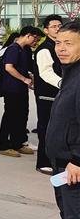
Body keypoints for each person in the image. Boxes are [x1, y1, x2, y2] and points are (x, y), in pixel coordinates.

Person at [45, 21, 80, 219]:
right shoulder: (70, 73)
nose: (61, 48)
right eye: (58, 43)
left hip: (73, 166)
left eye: (69, 43)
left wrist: (77, 159)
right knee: (69, 217)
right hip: (62, 162)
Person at [0, 26, 43, 158]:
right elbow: (9, 67)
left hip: (21, 89)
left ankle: (17, 143)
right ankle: (4, 145)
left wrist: (30, 78)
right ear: (28, 35)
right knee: (10, 116)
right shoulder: (13, 49)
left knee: (21, 115)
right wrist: (24, 79)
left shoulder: (24, 50)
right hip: (11, 89)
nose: (36, 42)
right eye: (35, 39)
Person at [33, 15, 64, 175]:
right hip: (47, 95)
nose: (58, 28)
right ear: (46, 30)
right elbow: (46, 73)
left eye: (60, 25)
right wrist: (63, 84)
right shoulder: (45, 49)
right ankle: (43, 162)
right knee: (46, 127)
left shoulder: (61, 46)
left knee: (59, 128)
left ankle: (56, 159)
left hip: (60, 94)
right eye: (54, 26)